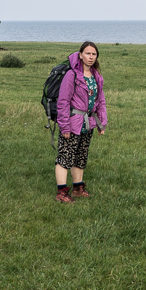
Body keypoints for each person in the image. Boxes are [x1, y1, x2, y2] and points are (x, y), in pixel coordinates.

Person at [54, 41, 107, 203]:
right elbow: (63, 102)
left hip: (88, 122)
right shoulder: (72, 75)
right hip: (72, 122)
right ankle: (61, 193)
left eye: (94, 54)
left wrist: (101, 123)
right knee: (65, 157)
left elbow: (101, 100)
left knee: (81, 156)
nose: (91, 57)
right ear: (80, 55)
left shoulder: (96, 76)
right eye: (87, 53)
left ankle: (78, 188)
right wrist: (65, 126)